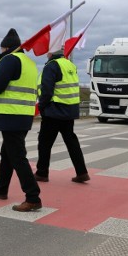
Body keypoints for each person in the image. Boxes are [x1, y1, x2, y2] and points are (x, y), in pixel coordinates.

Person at [0, 28, 42, 212]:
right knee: (7, 154)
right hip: (23, 115)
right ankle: (0, 189)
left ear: (5, 48)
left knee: (17, 157)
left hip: (10, 115)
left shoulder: (9, 60)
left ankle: (33, 197)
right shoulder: (30, 63)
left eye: (1, 49)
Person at [35, 50, 89, 183]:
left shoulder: (52, 65)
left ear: (51, 53)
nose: (46, 53)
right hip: (69, 111)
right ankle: (82, 172)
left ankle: (42, 173)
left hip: (54, 110)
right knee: (71, 142)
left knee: (44, 143)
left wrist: (41, 106)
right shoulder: (70, 65)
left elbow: (47, 90)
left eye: (48, 51)